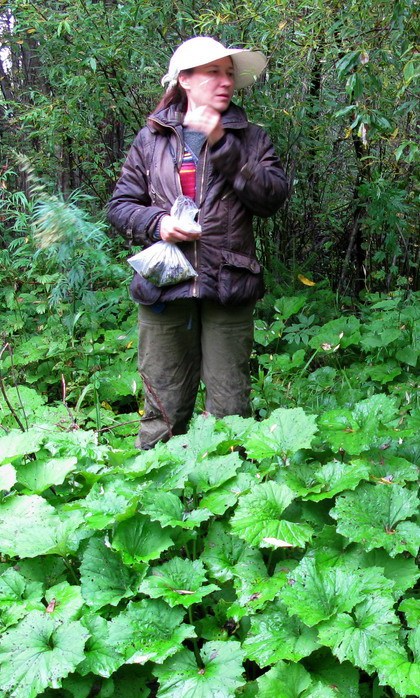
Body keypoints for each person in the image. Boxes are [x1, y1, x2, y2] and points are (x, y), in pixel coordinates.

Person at [107, 36, 288, 450]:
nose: (225, 81)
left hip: (227, 285)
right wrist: (158, 224)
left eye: (229, 74)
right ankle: (154, 494)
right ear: (185, 80)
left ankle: (227, 496)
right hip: (163, 287)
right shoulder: (151, 140)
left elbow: (271, 199)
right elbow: (119, 206)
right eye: (213, 72)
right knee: (162, 410)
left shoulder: (252, 139)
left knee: (230, 411)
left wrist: (223, 144)